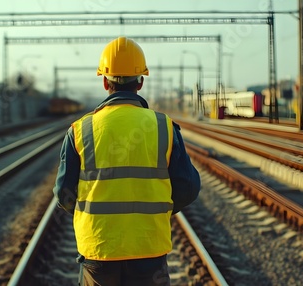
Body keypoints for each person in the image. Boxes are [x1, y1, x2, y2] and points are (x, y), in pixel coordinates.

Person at [53, 36, 201, 286]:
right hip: (149, 249)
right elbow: (188, 187)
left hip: (99, 250)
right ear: (140, 82)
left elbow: (63, 194)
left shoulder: (80, 130)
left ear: (104, 81)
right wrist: (157, 211)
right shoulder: (163, 127)